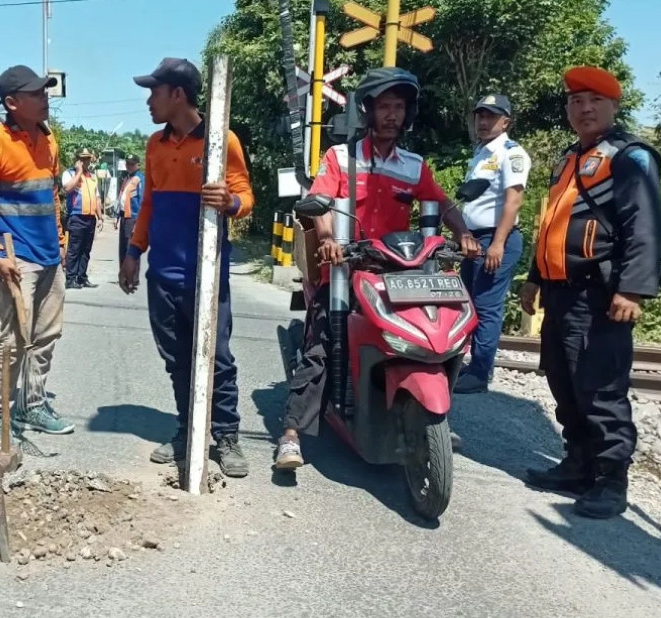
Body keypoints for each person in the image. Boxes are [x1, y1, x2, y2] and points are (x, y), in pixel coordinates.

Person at [274, 68, 480, 470]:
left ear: (409, 113)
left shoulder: (414, 166)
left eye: (399, 108)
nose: (392, 115)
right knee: (326, 341)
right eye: (384, 107)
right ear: (367, 111)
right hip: (349, 267)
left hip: (402, 270)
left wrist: (465, 233)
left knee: (435, 331)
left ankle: (427, 412)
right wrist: (330, 239)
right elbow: (321, 201)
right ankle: (291, 434)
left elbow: (442, 203)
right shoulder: (340, 158)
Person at [521, 66, 661, 519]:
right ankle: (578, 464)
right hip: (561, 293)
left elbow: (644, 226)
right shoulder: (569, 158)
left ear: (612, 106)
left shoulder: (629, 156)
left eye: (593, 101)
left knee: (600, 389)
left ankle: (610, 481)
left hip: (599, 296)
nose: (583, 109)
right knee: (564, 382)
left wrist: (633, 290)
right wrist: (535, 277)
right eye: (575, 101)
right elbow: (553, 225)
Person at [119, 57, 254, 477]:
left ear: (178, 94)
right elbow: (150, 203)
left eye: (154, 92)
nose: (148, 102)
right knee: (177, 358)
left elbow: (246, 195)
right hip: (163, 274)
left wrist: (229, 203)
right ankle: (186, 429)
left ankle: (226, 434)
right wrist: (133, 250)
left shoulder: (220, 140)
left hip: (206, 274)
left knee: (217, 357)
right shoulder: (155, 145)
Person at [0, 64, 74, 435]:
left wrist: (60, 242)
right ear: (12, 103)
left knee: (46, 336)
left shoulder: (49, 140)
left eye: (44, 91)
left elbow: (53, 197)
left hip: (48, 256)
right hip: (15, 258)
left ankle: (31, 404)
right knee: (14, 338)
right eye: (36, 94)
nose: (45, 98)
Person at [454, 94, 532, 394]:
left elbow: (513, 201)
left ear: (506, 121)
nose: (483, 121)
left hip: (496, 238)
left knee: (486, 307)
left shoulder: (511, 153)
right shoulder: (481, 152)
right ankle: (469, 366)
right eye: (480, 116)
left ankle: (480, 373)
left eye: (491, 116)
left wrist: (498, 243)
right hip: (475, 239)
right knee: (469, 305)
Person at [62, 150, 104, 289]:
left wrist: (100, 216)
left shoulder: (92, 177)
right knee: (74, 249)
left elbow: (97, 197)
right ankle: (70, 279)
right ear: (77, 160)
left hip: (90, 218)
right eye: (83, 159)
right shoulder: (69, 173)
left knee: (86, 250)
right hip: (76, 216)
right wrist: (78, 172)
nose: (86, 162)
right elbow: (67, 188)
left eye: (88, 159)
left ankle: (82, 277)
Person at [116, 154, 144, 260]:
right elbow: (121, 198)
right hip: (124, 217)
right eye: (127, 163)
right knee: (123, 250)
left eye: (132, 164)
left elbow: (142, 202)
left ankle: (132, 276)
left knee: (131, 251)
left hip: (133, 218)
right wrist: (117, 216)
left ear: (138, 165)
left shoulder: (140, 179)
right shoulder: (127, 178)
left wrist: (138, 224)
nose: (129, 166)